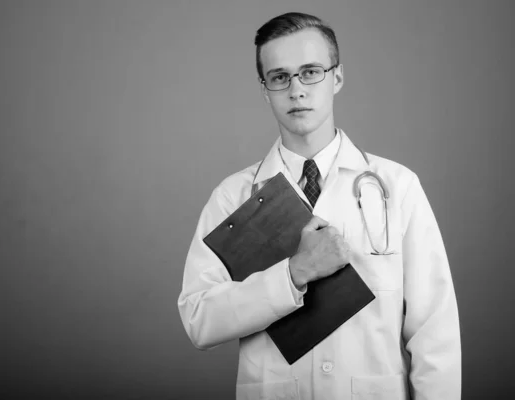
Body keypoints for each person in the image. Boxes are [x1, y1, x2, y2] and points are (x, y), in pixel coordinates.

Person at [177, 12, 460, 400]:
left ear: (337, 78)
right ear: (265, 89)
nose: (296, 90)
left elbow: (434, 330)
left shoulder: (398, 187)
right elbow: (199, 320)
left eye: (310, 72)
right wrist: (293, 274)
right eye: (279, 77)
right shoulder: (232, 197)